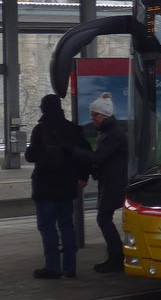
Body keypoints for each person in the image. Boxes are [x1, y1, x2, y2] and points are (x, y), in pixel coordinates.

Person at [24, 94, 91, 279]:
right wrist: (82, 177)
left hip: (45, 188)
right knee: (67, 226)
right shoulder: (73, 129)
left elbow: (31, 156)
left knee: (48, 228)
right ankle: (70, 267)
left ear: (43, 109)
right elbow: (85, 155)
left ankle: (52, 267)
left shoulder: (40, 129)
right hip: (67, 186)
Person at [74, 92, 129, 273]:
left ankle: (117, 257)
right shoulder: (108, 131)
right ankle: (114, 256)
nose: (93, 119)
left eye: (95, 115)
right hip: (110, 181)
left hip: (114, 182)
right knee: (104, 218)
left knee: (103, 218)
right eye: (92, 115)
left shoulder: (113, 133)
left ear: (104, 115)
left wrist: (75, 151)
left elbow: (100, 157)